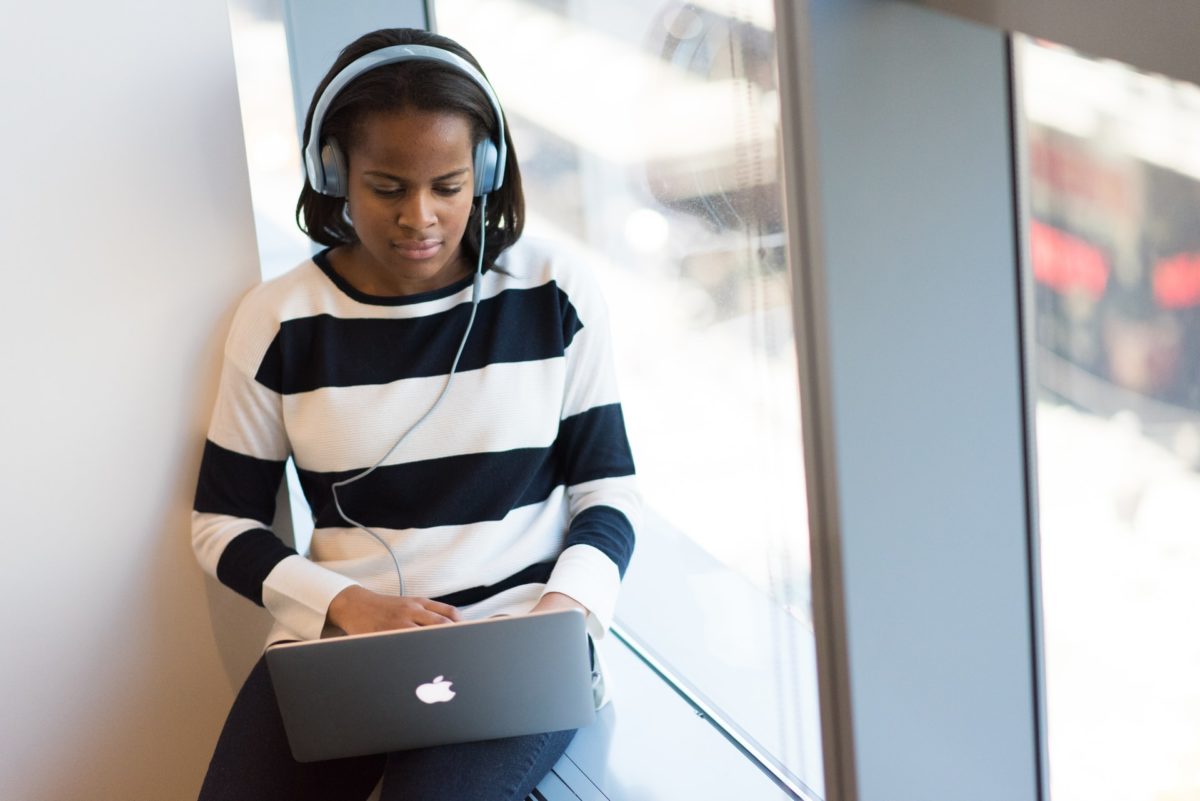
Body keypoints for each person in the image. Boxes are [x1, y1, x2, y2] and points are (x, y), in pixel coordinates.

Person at [191, 27, 638, 800]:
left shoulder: (553, 293)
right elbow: (220, 523)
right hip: (341, 643)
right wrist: (347, 606)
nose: (421, 217)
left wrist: (559, 616)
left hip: (515, 639)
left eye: (449, 185)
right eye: (388, 187)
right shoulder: (278, 321)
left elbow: (610, 494)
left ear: (487, 173)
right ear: (333, 173)